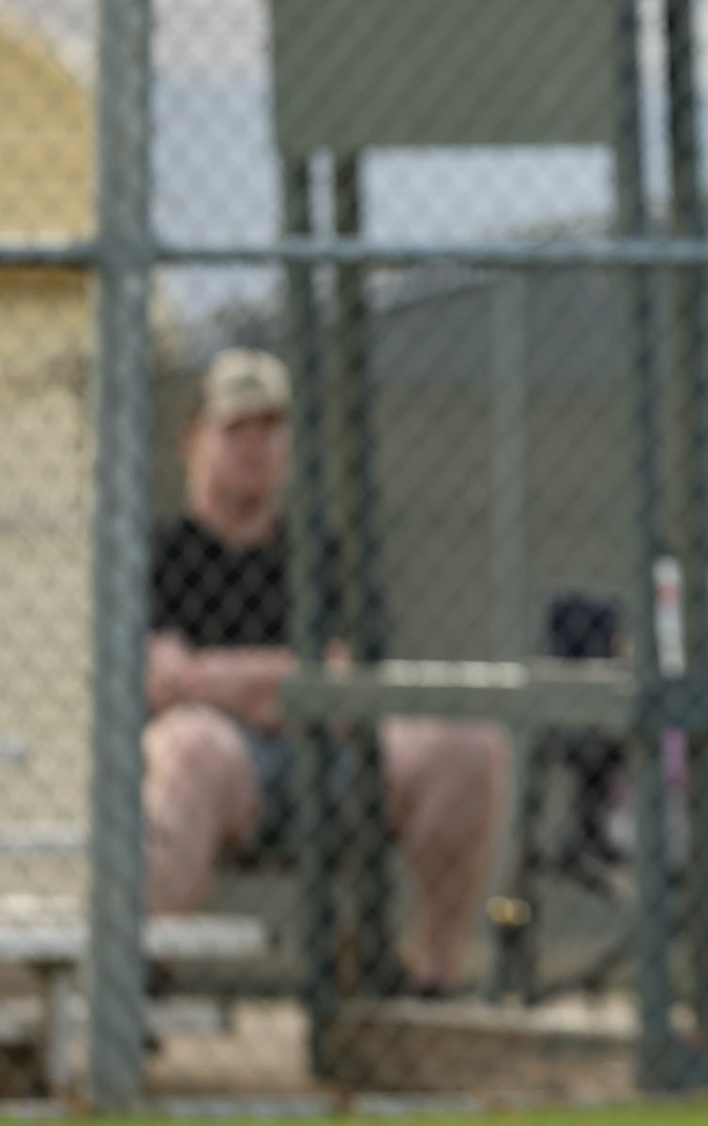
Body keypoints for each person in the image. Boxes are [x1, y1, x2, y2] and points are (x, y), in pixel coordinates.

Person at [144, 348, 508, 993]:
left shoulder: (321, 551)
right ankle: (139, 976)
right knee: (189, 743)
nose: (255, 447)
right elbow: (163, 684)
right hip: (227, 763)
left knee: (469, 744)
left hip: (332, 751)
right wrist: (288, 678)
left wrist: (224, 677)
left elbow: (350, 679)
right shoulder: (161, 551)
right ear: (191, 442)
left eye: (270, 429)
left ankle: (432, 978)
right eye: (235, 430)